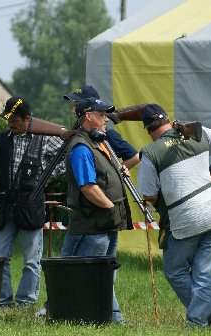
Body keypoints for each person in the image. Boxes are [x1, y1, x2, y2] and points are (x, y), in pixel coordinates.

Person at [136, 104, 211, 327]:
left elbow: (149, 194)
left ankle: (198, 320)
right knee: (205, 273)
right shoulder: (197, 133)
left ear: (147, 129)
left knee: (174, 269)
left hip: (186, 216)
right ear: (168, 120)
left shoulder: (151, 153)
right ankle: (208, 313)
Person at [0, 97, 64, 308]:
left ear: (27, 119)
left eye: (14, 120)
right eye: (8, 119)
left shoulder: (45, 137)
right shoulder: (0, 138)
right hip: (4, 205)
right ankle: (2, 301)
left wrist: (47, 176)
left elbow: (68, 154)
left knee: (32, 260)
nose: (10, 124)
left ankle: (25, 303)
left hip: (31, 205)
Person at [62, 97, 129, 323]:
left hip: (104, 222)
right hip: (92, 223)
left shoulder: (99, 142)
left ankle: (110, 316)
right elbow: (88, 187)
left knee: (105, 272)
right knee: (88, 273)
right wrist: (110, 207)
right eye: (101, 115)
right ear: (88, 116)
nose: (106, 119)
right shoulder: (81, 147)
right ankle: (86, 315)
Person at [63, 85, 139, 169]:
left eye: (77, 105)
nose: (73, 111)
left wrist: (115, 174)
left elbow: (135, 157)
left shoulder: (108, 134)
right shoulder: (80, 127)